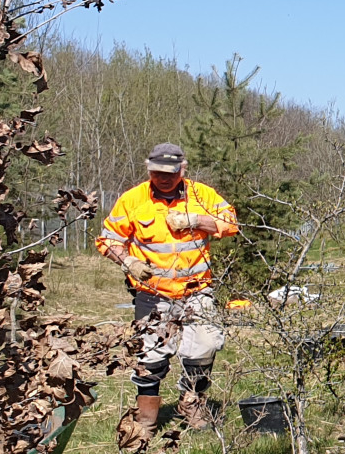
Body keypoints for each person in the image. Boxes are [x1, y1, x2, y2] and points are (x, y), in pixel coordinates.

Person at [95, 142, 238, 429]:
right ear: (148, 169)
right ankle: (147, 419)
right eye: (157, 172)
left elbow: (231, 223)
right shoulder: (133, 200)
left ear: (182, 170)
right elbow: (108, 239)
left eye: (170, 173)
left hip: (197, 291)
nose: (163, 178)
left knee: (204, 346)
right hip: (153, 295)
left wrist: (196, 220)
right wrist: (128, 263)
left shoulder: (201, 195)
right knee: (151, 356)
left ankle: (192, 403)